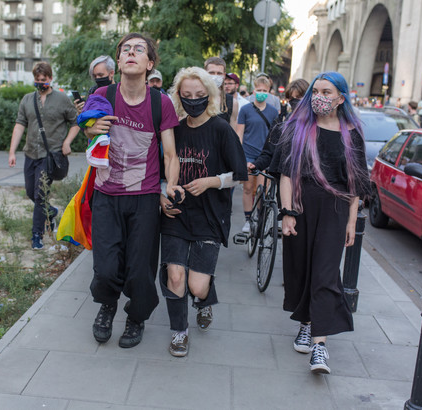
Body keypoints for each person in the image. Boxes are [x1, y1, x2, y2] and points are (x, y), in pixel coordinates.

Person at [83, 33, 182, 349]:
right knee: (106, 268)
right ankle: (107, 304)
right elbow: (87, 128)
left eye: (139, 50)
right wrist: (90, 128)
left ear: (149, 63)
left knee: (140, 272)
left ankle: (136, 317)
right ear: (119, 62)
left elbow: (170, 155)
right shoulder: (103, 94)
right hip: (106, 195)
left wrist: (171, 186)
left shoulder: (160, 102)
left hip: (144, 199)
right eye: (125, 49)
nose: (130, 53)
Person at [276, 71, 370, 374]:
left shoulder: (351, 133)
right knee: (302, 269)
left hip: (335, 210)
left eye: (327, 92)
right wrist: (287, 212)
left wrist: (351, 221)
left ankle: (319, 345)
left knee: (326, 274)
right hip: (302, 206)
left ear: (341, 97)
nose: (320, 96)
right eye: (316, 91)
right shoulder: (297, 128)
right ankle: (306, 323)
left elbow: (355, 184)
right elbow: (286, 174)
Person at [159, 66, 247, 357]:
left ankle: (206, 298)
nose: (193, 100)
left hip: (210, 216)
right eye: (186, 95)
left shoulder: (220, 128)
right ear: (178, 97)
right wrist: (162, 196)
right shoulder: (175, 129)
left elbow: (240, 174)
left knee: (197, 287)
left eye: (199, 95)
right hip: (177, 214)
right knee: (175, 276)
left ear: (209, 95)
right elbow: (160, 172)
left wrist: (212, 181)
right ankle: (179, 332)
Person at [9, 61, 80, 250]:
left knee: (40, 195)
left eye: (43, 79)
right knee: (30, 192)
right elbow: (19, 124)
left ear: (50, 79)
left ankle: (37, 235)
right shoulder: (27, 100)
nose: (40, 83)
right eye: (37, 80)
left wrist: (67, 142)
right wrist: (12, 151)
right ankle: (51, 211)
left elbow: (76, 122)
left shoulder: (61, 99)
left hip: (50, 155)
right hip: (31, 153)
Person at [236, 75, 279, 233]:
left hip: (265, 156)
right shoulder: (245, 109)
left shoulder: (273, 112)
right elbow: (239, 134)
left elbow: (275, 136)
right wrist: (239, 156)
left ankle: (260, 217)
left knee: (262, 189)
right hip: (247, 154)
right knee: (248, 188)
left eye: (264, 90)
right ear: (254, 91)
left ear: (269, 92)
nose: (261, 93)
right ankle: (248, 220)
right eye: (258, 90)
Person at [204, 57, 239, 129]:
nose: (215, 76)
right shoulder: (194, 97)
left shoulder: (232, 103)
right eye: (211, 73)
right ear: (204, 73)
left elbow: (232, 132)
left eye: (219, 73)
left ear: (224, 75)